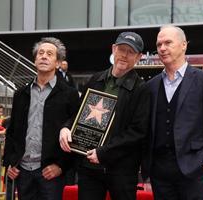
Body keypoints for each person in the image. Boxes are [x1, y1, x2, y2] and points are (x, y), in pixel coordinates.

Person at [59, 32, 150, 200]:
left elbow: (138, 132)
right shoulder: (95, 80)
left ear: (139, 57)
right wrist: (66, 128)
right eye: (121, 49)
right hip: (89, 168)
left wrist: (103, 152)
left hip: (121, 171)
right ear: (113, 49)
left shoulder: (142, 89)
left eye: (131, 52)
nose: (124, 55)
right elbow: (78, 114)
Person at [142, 25, 203, 200]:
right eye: (159, 45)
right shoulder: (150, 86)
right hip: (159, 174)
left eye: (168, 43)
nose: (162, 48)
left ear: (183, 45)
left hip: (193, 171)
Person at [3, 37, 80, 200]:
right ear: (35, 60)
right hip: (22, 170)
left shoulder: (69, 94)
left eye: (50, 54)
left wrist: (61, 166)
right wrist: (10, 162)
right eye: (41, 53)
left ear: (58, 63)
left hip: (50, 173)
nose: (44, 56)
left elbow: (75, 133)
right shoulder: (21, 93)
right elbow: (13, 131)